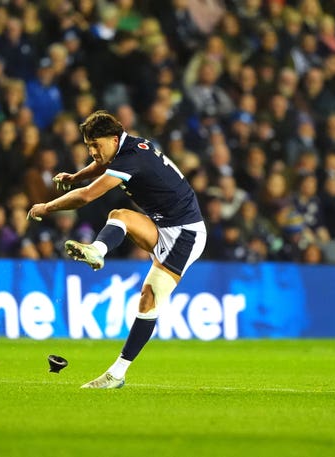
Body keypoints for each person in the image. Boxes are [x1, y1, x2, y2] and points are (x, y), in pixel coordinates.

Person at [28, 110, 207, 388]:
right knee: (120, 215)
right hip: (162, 224)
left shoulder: (131, 157)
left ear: (113, 139)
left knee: (149, 298)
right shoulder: (127, 147)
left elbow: (87, 196)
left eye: (95, 145)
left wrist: (47, 207)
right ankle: (98, 250)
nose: (92, 151)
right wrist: (76, 176)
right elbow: (102, 165)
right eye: (88, 146)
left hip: (185, 233)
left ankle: (117, 373)